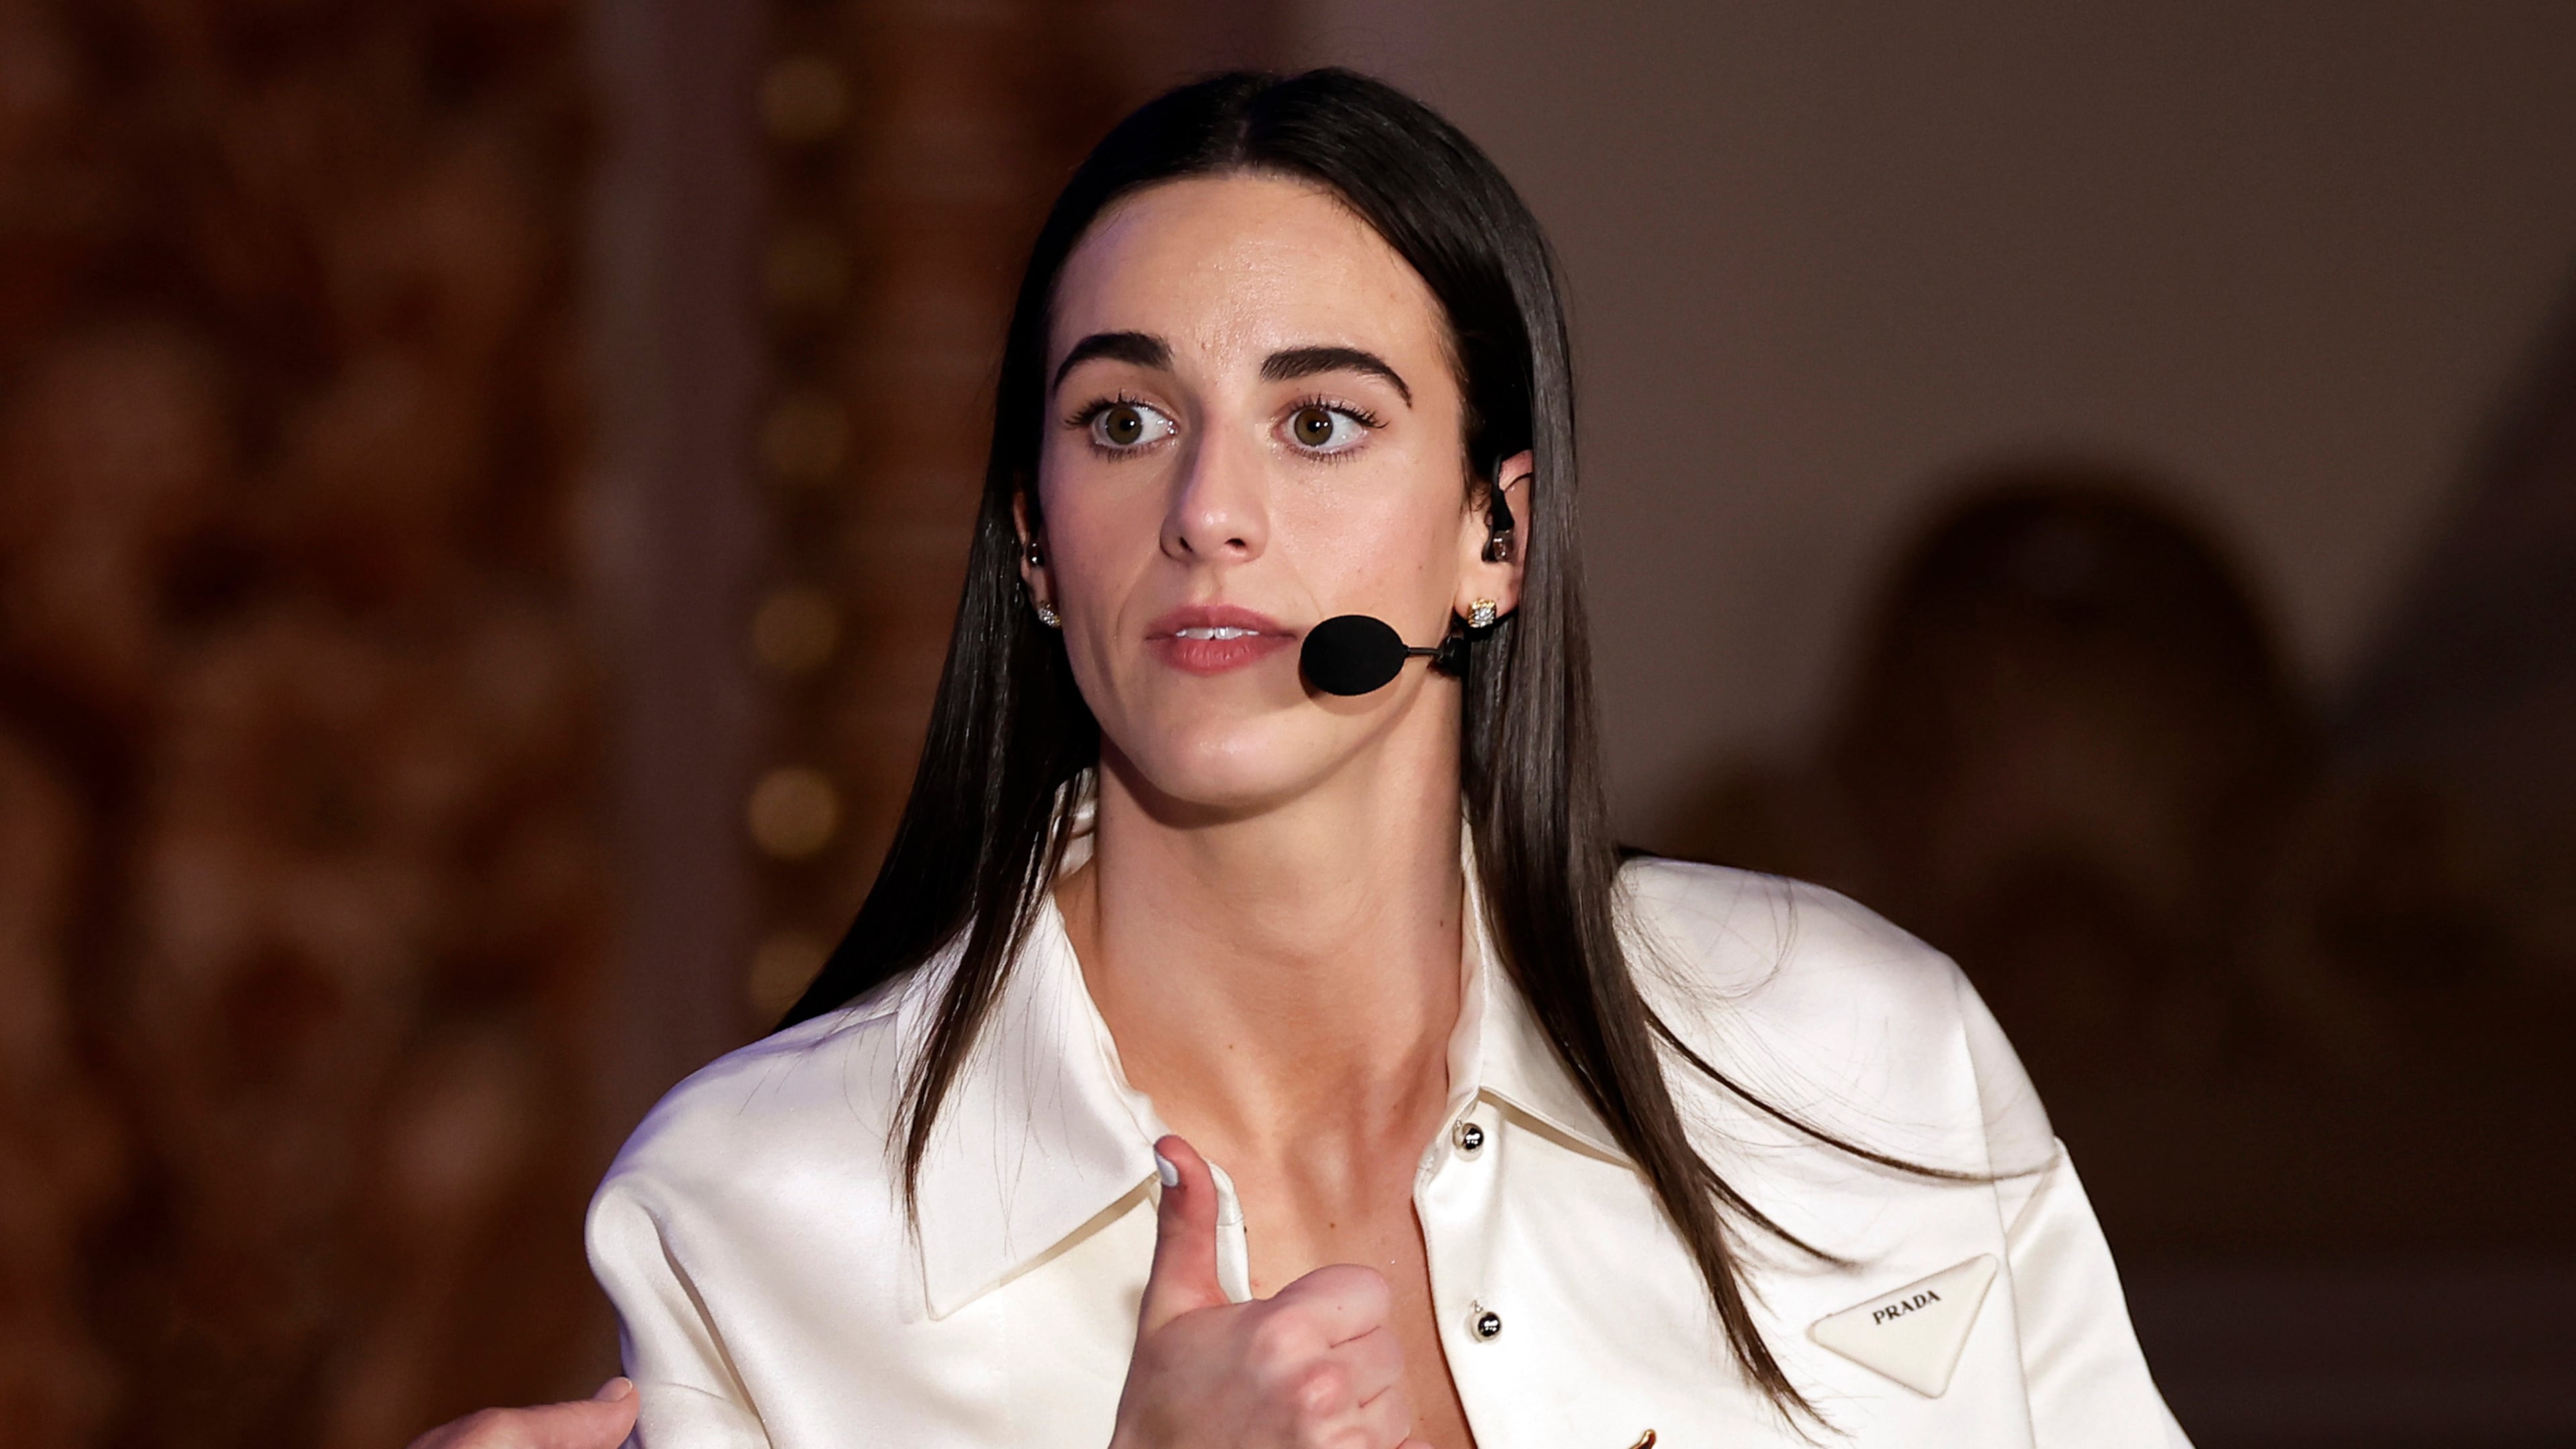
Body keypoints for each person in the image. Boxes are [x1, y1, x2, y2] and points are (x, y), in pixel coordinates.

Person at [422, 68, 2187, 1448]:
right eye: (1125, 420)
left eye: (1322, 422)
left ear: (1495, 536)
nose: (1210, 512)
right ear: (1035, 539)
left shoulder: (1861, 1049)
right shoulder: (760, 1212)